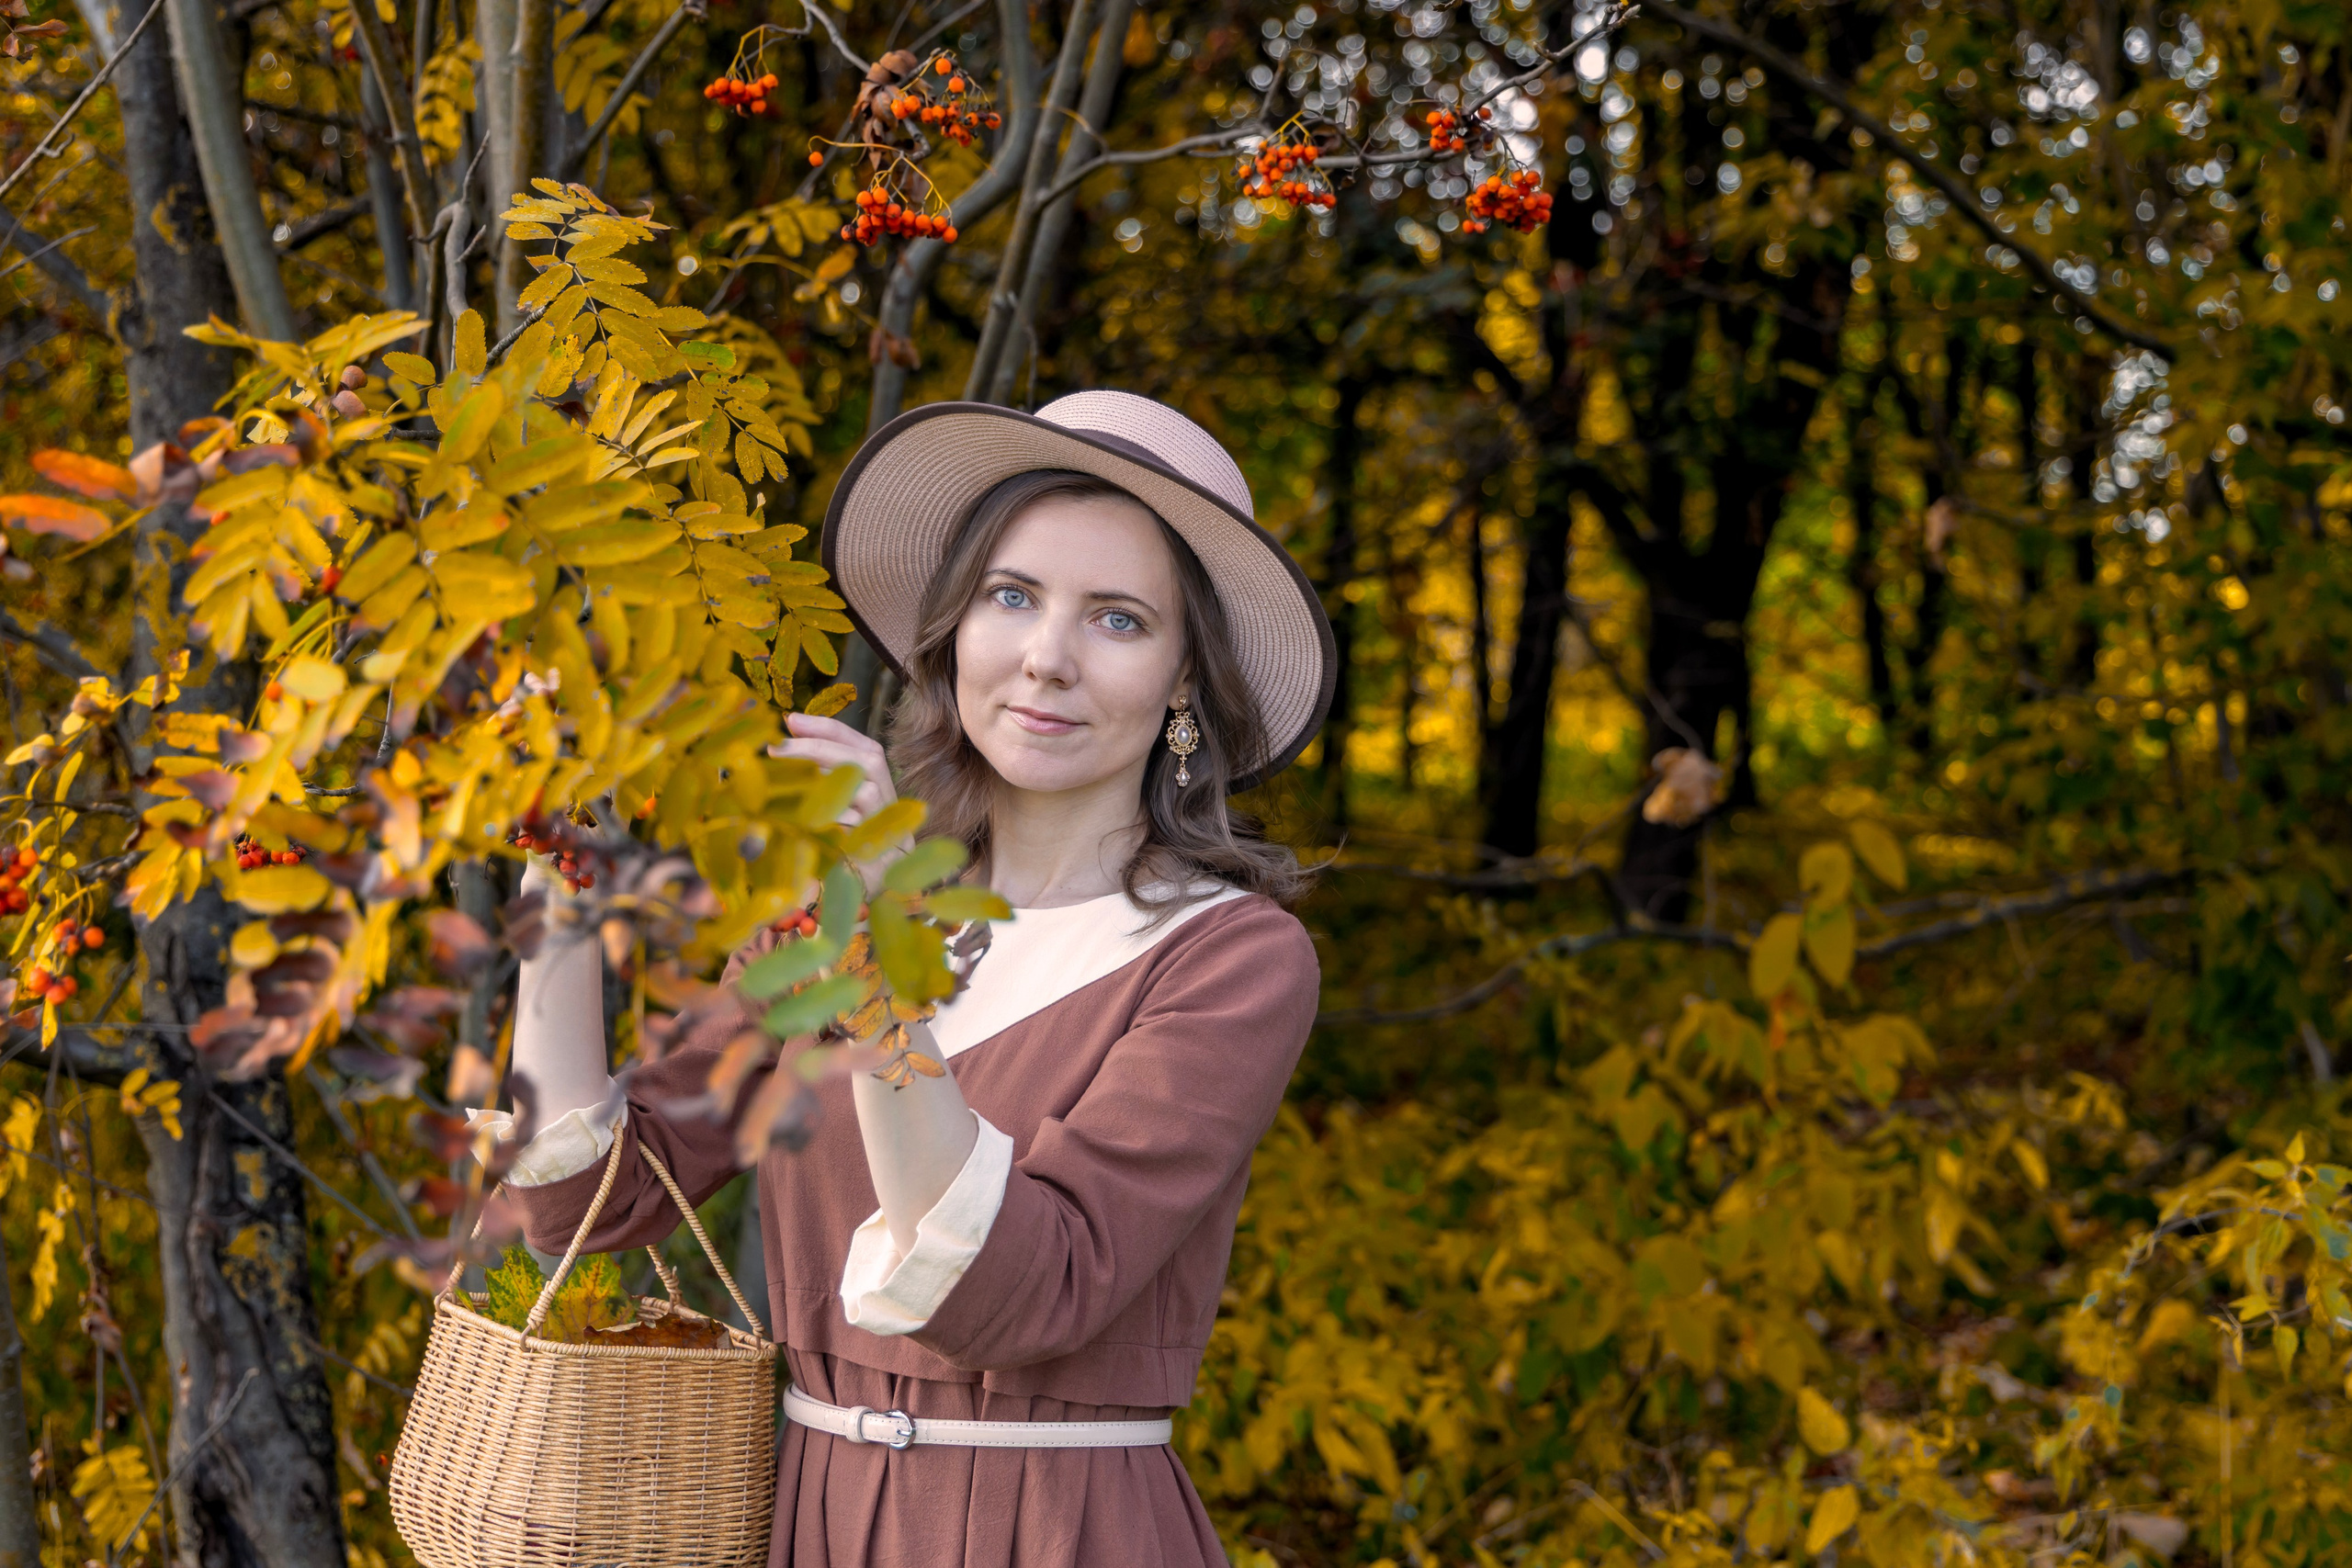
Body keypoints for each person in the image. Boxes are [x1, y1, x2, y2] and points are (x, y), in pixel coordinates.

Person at [499, 390, 1337, 1568]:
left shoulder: (1229, 957)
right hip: (807, 1522)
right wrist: (562, 872)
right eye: (1013, 597)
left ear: (1185, 678)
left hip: (1057, 1531)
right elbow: (589, 1202)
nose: (1045, 658)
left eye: (1117, 619)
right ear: (952, 631)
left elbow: (1014, 1295)